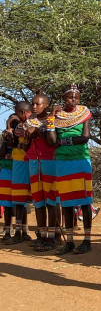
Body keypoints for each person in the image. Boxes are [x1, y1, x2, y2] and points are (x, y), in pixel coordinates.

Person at [47, 84, 94, 254]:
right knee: (66, 202)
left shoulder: (84, 112)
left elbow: (85, 137)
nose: (73, 100)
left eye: (76, 97)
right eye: (70, 97)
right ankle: (70, 242)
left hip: (80, 159)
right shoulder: (57, 116)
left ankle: (87, 241)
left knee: (85, 200)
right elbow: (52, 140)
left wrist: (64, 142)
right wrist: (51, 117)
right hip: (63, 162)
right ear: (63, 97)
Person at [24, 94, 59, 251]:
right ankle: (42, 235)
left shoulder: (53, 119)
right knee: (38, 201)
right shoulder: (29, 121)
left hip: (50, 161)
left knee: (51, 200)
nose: (34, 107)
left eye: (38, 104)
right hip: (33, 162)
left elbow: (54, 141)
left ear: (46, 105)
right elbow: (25, 147)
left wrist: (40, 132)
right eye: (33, 104)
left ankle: (52, 237)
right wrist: (27, 136)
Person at [6, 102, 33, 244]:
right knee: (20, 199)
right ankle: (21, 232)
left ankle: (22, 233)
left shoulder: (31, 123)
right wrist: (8, 126)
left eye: (17, 112)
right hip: (21, 161)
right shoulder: (20, 126)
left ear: (21, 111)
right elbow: (12, 144)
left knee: (21, 198)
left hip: (26, 161)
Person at [0, 115, 17, 242]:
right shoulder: (5, 136)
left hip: (19, 169)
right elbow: (1, 153)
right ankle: (7, 231)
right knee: (6, 203)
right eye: (11, 123)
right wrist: (7, 132)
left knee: (20, 202)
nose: (13, 125)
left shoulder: (23, 133)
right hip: (6, 170)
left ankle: (22, 231)